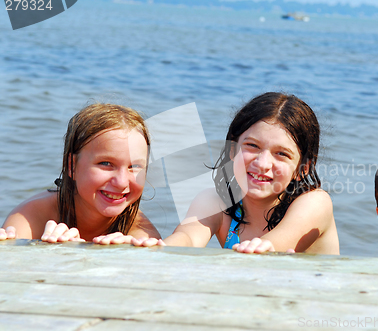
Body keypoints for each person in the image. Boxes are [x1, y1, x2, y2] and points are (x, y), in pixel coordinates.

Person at [134, 92, 339, 254]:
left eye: (282, 154)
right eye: (252, 146)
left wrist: (262, 247)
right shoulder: (216, 202)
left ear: (302, 169)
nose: (262, 163)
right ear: (232, 149)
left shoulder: (314, 203)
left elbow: (276, 245)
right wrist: (152, 248)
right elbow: (187, 237)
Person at [0, 103, 161, 243]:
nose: (121, 182)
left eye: (135, 166)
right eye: (106, 163)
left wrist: (128, 257)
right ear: (72, 166)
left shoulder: (140, 233)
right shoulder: (31, 218)